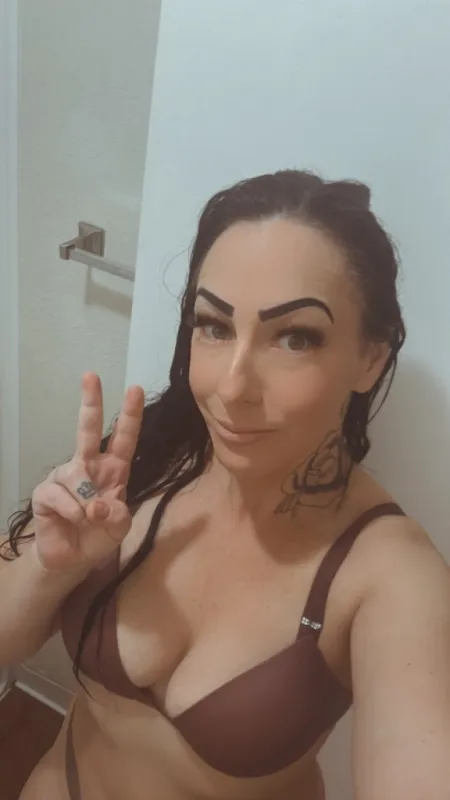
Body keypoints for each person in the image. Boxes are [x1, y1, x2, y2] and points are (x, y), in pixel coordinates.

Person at [1, 170, 450, 800]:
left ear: (370, 358)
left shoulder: (389, 575)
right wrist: (54, 570)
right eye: (214, 325)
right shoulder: (146, 459)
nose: (232, 388)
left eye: (294, 337)